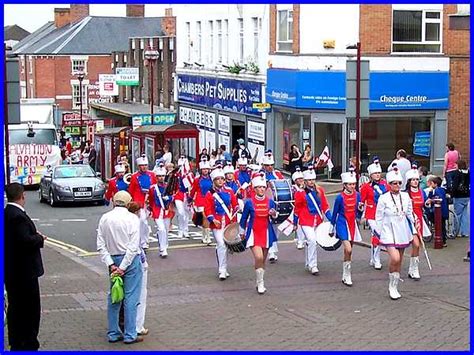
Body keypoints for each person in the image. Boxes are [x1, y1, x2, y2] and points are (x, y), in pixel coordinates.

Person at [96, 190, 143, 344]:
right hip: (129, 261)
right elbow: (133, 247)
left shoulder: (105, 218)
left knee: (115, 296)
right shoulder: (132, 219)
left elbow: (101, 244)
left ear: (114, 202)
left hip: (113, 260)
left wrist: (111, 264)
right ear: (129, 203)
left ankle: (113, 332)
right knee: (131, 297)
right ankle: (130, 334)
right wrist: (123, 267)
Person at [5, 183, 47, 351]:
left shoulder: (6, 213)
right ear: (22, 196)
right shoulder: (17, 216)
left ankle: (16, 340)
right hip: (24, 272)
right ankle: (27, 342)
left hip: (12, 270)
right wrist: (39, 239)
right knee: (29, 309)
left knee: (16, 307)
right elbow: (24, 241)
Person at [375, 167, 417, 300]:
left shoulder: (405, 196)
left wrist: (415, 223)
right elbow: (379, 217)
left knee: (399, 260)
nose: (397, 185)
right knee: (395, 258)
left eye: (399, 183)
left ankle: (395, 285)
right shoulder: (383, 198)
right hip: (388, 230)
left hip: (402, 229)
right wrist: (378, 233)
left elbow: (409, 213)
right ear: (389, 184)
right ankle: (391, 285)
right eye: (394, 183)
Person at [239, 173, 279, 293]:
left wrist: (273, 214)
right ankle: (260, 283)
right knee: (259, 257)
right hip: (254, 232)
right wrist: (241, 232)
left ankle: (259, 281)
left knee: (263, 260)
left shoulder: (270, 202)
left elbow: (274, 217)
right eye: (259, 187)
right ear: (254, 189)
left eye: (263, 187)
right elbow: (243, 219)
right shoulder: (249, 203)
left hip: (266, 233)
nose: (261, 189)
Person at [294, 166, 332, 274]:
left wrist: (331, 219)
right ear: (305, 181)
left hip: (318, 220)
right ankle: (313, 265)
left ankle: (308, 262)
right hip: (306, 221)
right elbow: (297, 208)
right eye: (309, 180)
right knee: (312, 240)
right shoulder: (300, 193)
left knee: (312, 242)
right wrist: (295, 223)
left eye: (313, 180)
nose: (311, 182)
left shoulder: (320, 190)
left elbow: (325, 206)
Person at [330, 169, 363, 286]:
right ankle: (347, 274)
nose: (352, 186)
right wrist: (331, 227)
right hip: (342, 223)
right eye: (349, 184)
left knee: (349, 251)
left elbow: (359, 211)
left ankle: (346, 273)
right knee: (348, 248)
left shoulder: (358, 195)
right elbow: (335, 213)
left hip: (352, 224)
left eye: (353, 184)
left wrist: (360, 212)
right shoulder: (339, 197)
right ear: (344, 185)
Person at [204, 168, 239, 280]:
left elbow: (235, 204)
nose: (220, 181)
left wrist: (237, 210)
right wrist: (212, 219)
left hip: (228, 222)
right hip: (217, 223)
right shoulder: (210, 194)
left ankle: (224, 267)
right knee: (221, 244)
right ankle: (222, 270)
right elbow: (207, 209)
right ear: (213, 181)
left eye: (222, 179)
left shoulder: (229, 191)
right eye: (217, 179)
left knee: (226, 245)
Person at [360, 156, 389, 270]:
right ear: (370, 175)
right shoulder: (366, 187)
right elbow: (361, 201)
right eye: (375, 173)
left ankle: (372, 257)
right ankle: (377, 259)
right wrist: (360, 214)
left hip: (383, 214)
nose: (377, 175)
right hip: (371, 214)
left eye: (379, 173)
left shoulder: (385, 184)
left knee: (376, 236)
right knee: (378, 234)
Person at [127, 202, 149, 337]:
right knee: (140, 294)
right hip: (135, 260)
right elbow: (137, 246)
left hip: (119, 260)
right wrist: (144, 262)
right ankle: (137, 326)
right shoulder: (136, 223)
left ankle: (126, 325)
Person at [405, 165, 429, 280]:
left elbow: (424, 206)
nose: (415, 182)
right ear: (409, 182)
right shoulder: (405, 194)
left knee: (417, 245)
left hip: (419, 220)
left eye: (416, 180)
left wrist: (428, 203)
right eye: (413, 180)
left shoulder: (422, 192)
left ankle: (413, 268)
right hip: (409, 220)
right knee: (415, 244)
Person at [128, 154, 157, 250]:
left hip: (149, 201)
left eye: (145, 165)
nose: (144, 167)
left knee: (144, 221)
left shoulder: (152, 175)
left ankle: (144, 240)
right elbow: (131, 190)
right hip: (138, 201)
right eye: (142, 165)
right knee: (142, 221)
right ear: (138, 166)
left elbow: (155, 188)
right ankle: (143, 241)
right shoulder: (134, 176)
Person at [261, 151, 284, 262]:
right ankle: (271, 250)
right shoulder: (259, 175)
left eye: (271, 165)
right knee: (267, 226)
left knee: (276, 227)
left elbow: (284, 186)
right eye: (267, 165)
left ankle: (272, 248)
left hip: (276, 203)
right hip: (264, 203)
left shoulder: (278, 174)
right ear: (264, 166)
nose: (270, 167)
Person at [149, 163, 174, 258]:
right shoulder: (152, 188)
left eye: (163, 176)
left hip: (167, 211)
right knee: (161, 229)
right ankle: (162, 249)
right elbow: (151, 200)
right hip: (157, 210)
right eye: (159, 176)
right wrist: (151, 209)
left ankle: (164, 247)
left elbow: (174, 195)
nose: (161, 178)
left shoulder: (168, 186)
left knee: (166, 230)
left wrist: (170, 198)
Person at [190, 158, 213, 244]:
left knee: (207, 218)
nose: (205, 171)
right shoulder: (197, 179)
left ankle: (206, 235)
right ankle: (206, 236)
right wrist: (190, 198)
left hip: (209, 200)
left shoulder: (212, 179)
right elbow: (193, 190)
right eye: (203, 169)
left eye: (206, 169)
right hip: (200, 200)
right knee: (204, 218)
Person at [174, 156, 194, 239]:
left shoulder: (190, 175)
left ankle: (185, 230)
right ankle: (180, 230)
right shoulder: (175, 175)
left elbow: (191, 186)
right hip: (178, 195)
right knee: (181, 213)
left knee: (186, 214)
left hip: (186, 195)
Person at [425, 175, 449, 247]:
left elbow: (438, 199)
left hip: (439, 212)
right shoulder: (441, 190)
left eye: (431, 183)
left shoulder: (438, 190)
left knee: (440, 225)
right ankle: (443, 240)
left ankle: (441, 240)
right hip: (443, 212)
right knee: (442, 226)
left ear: (435, 184)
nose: (430, 185)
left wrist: (431, 200)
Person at [451, 160, 470, 238]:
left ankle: (456, 231)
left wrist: (451, 193)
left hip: (458, 196)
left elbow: (455, 186)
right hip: (467, 195)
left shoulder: (457, 173)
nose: (454, 166)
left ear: (459, 165)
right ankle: (465, 232)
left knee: (457, 214)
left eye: (455, 165)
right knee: (465, 214)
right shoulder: (468, 172)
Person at [291, 167, 305, 250]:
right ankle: (300, 240)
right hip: (296, 208)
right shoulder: (293, 188)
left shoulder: (306, 187)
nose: (300, 180)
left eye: (301, 178)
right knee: (299, 224)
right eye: (298, 179)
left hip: (305, 208)